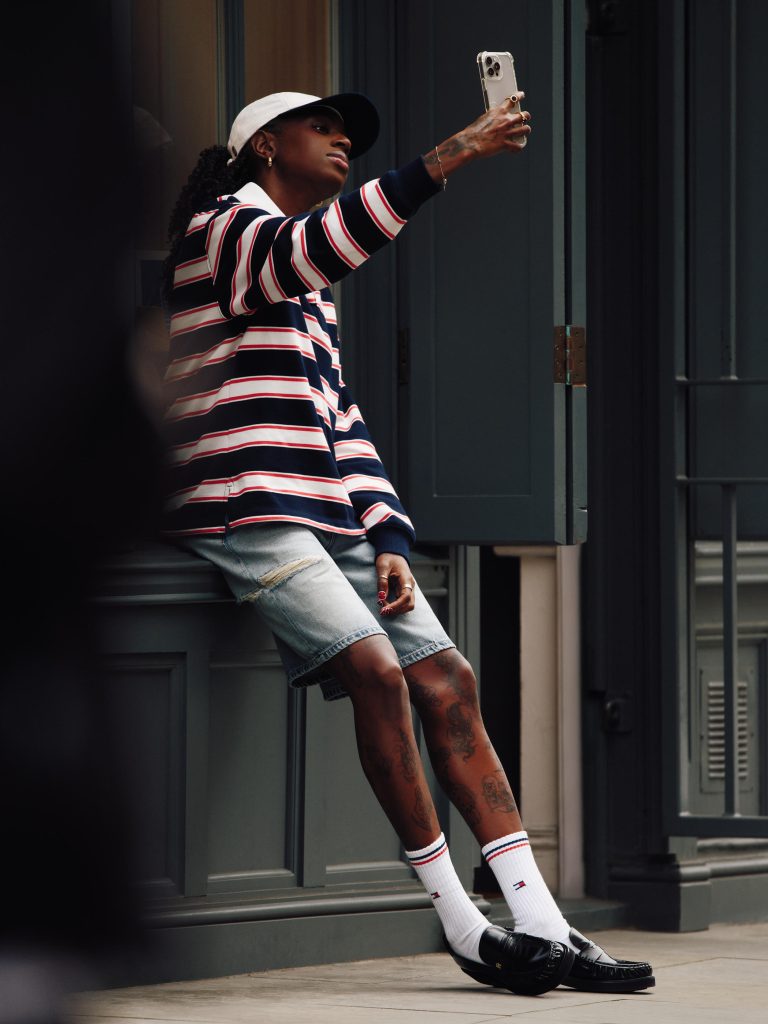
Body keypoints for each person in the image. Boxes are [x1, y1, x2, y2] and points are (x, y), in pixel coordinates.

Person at [162, 90, 654, 996]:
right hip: (251, 505)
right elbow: (312, 246)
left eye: (347, 133)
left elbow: (341, 420)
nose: (343, 139)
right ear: (265, 146)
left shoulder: (309, 291)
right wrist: (453, 154)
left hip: (331, 514)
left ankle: (545, 924)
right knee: (379, 673)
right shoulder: (223, 231)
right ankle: (463, 925)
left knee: (449, 679)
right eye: (323, 126)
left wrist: (386, 532)